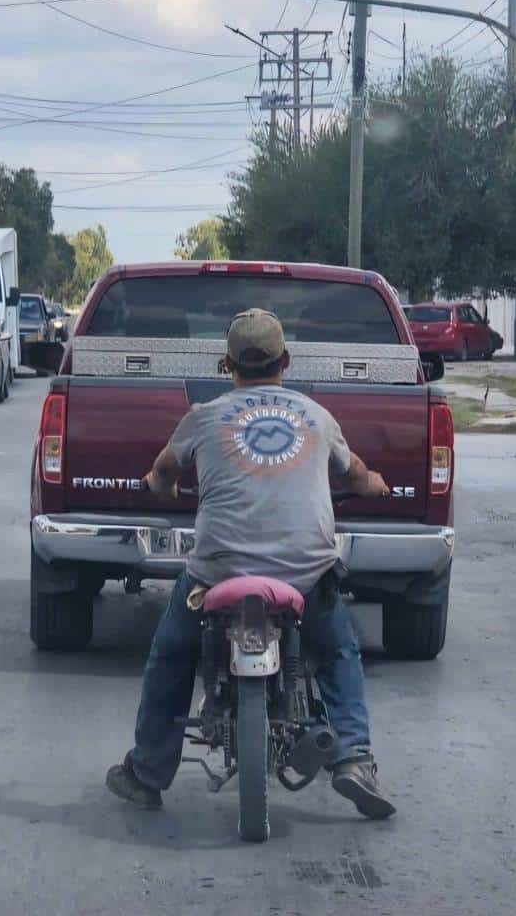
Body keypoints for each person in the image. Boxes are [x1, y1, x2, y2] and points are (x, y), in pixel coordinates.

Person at [105, 308, 396, 819]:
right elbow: (355, 476)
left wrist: (159, 486)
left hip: (216, 573)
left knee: (171, 655)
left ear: (228, 364)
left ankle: (147, 771)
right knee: (337, 651)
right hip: (306, 575)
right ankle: (353, 758)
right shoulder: (317, 417)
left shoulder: (204, 417)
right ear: (286, 361)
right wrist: (376, 485)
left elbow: (162, 472)